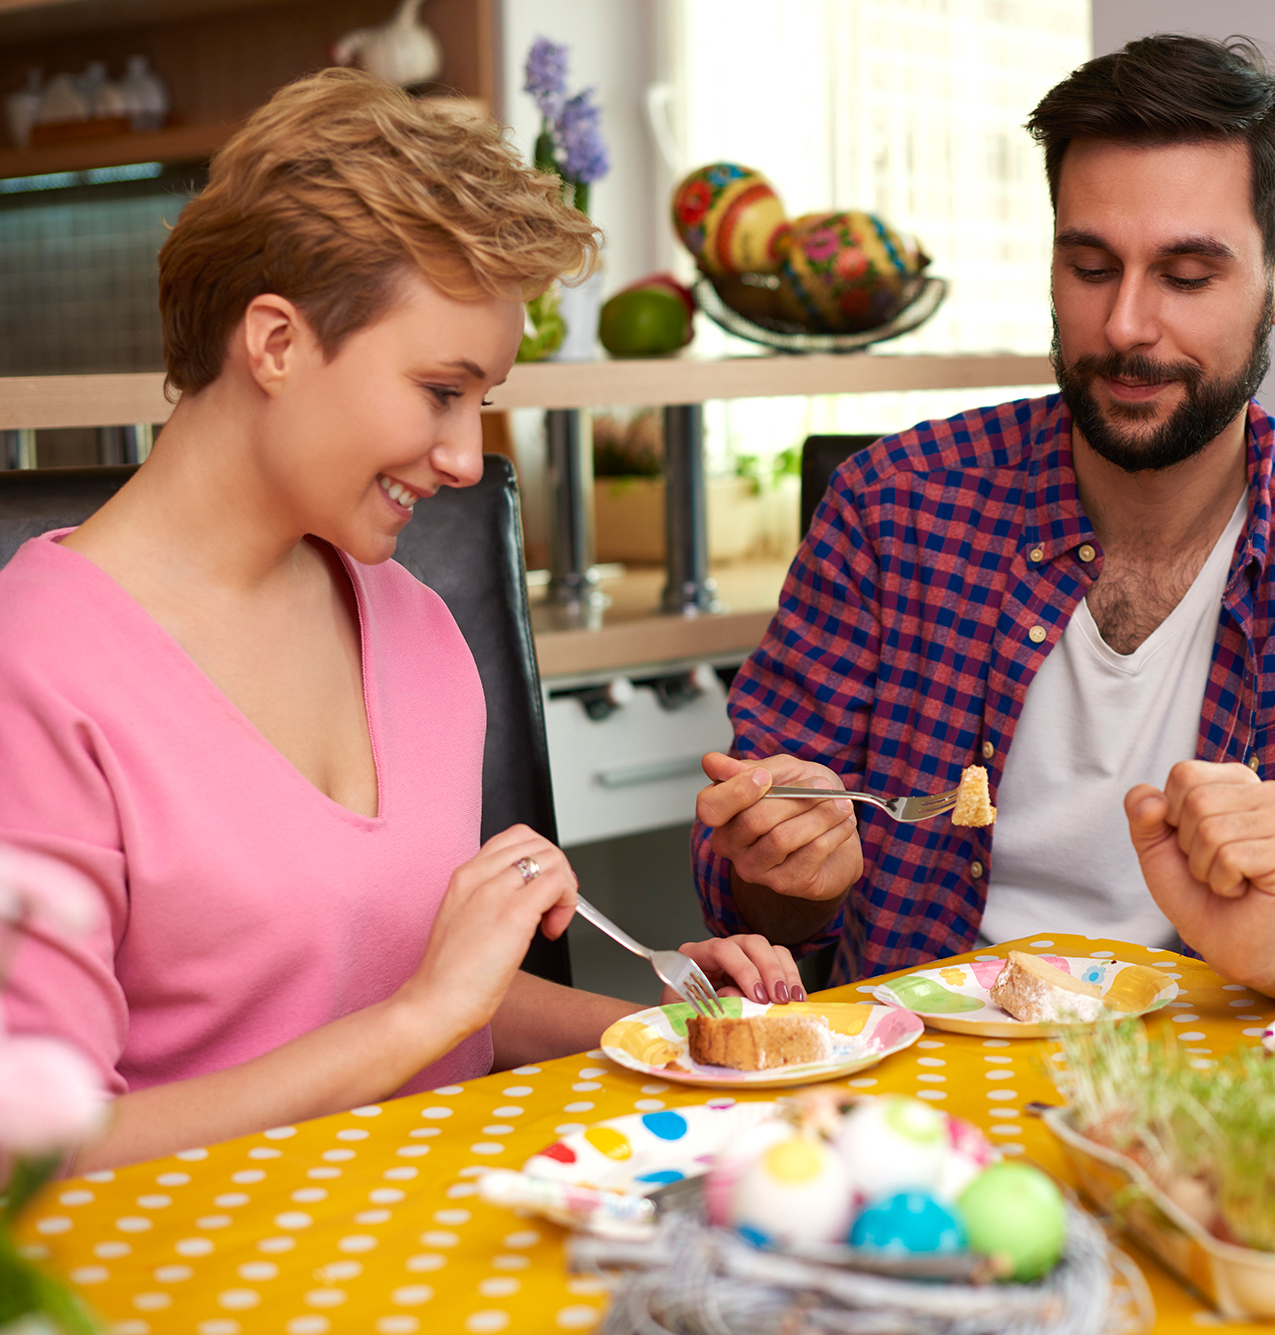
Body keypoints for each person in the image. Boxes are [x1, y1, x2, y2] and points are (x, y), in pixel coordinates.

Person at [0, 70, 800, 1173]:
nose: (469, 458)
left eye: (483, 403)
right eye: (439, 391)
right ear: (275, 344)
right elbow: (33, 1151)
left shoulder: (417, 626)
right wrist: (418, 1022)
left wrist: (687, 1036)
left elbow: (425, 993)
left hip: (456, 1235)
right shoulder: (36, 670)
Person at [694, 34, 1275, 1000]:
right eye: (1092, 267)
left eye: (1187, 277)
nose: (1125, 327)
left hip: (1218, 1100)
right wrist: (787, 876)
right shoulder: (892, 507)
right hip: (911, 1096)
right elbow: (745, 895)